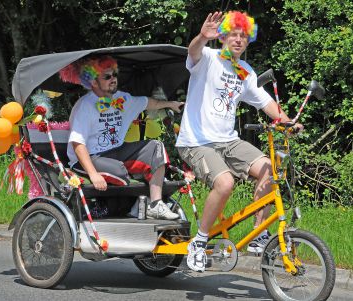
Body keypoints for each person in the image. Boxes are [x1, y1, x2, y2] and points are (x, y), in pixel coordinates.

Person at [175, 11, 304, 272]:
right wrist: (202, 36)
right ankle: (199, 242)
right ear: (223, 36)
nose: (238, 40)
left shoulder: (244, 71)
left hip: (227, 141)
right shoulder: (208, 59)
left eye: (243, 36)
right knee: (225, 183)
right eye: (233, 34)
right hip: (196, 142)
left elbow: (266, 102)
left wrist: (289, 123)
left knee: (270, 169)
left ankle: (258, 236)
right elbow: (192, 52)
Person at [61, 55, 184, 220]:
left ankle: (155, 204)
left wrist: (170, 104)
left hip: (116, 150)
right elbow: (78, 144)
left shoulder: (122, 98)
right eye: (107, 76)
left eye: (114, 75)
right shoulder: (85, 106)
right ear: (94, 82)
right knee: (118, 171)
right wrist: (93, 174)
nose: (113, 79)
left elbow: (148, 103)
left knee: (156, 147)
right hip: (87, 158)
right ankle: (125, 206)